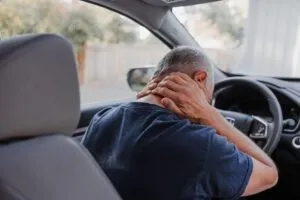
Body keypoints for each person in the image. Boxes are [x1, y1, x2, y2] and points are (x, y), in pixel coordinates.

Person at [82, 46, 278, 200]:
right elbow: (269, 175)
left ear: (155, 79)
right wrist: (210, 115)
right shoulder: (200, 144)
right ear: (200, 79)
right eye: (210, 97)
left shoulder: (102, 119)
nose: (209, 103)